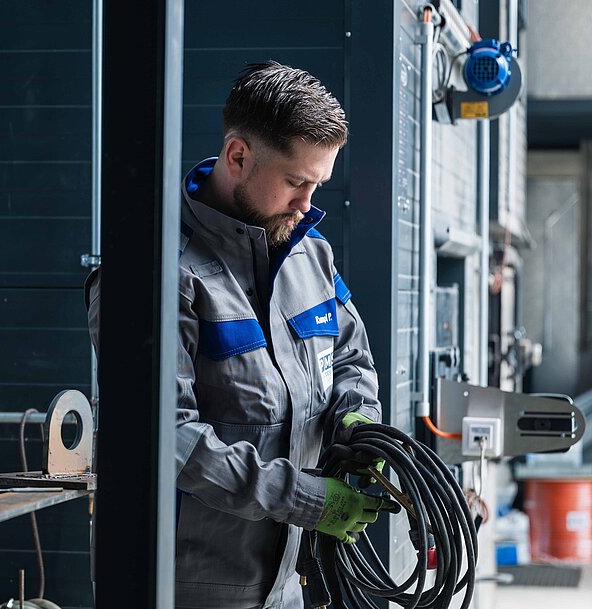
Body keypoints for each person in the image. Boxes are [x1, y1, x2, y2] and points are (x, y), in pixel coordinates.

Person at [85, 61, 395, 609]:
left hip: (286, 585)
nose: (307, 204)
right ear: (238, 156)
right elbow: (164, 438)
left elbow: (350, 357)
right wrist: (307, 499)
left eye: (318, 184)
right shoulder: (152, 274)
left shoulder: (310, 256)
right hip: (185, 591)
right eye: (296, 182)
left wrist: (358, 419)